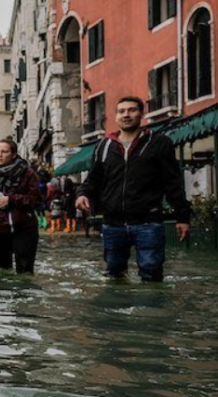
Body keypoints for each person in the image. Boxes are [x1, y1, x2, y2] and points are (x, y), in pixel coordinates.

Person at [76, 96, 190, 281]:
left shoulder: (159, 143)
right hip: (112, 223)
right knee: (114, 275)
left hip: (148, 222)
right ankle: (117, 309)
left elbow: (173, 183)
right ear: (115, 117)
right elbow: (93, 179)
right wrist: (82, 194)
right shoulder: (103, 146)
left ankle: (148, 310)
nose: (126, 115)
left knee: (151, 275)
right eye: (121, 111)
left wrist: (182, 217)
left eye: (131, 110)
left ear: (141, 114)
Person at [0, 139, 42, 274]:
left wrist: (10, 199)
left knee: (25, 271)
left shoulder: (28, 173)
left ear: (14, 154)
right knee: (2, 271)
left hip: (24, 228)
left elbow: (36, 200)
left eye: (4, 152)